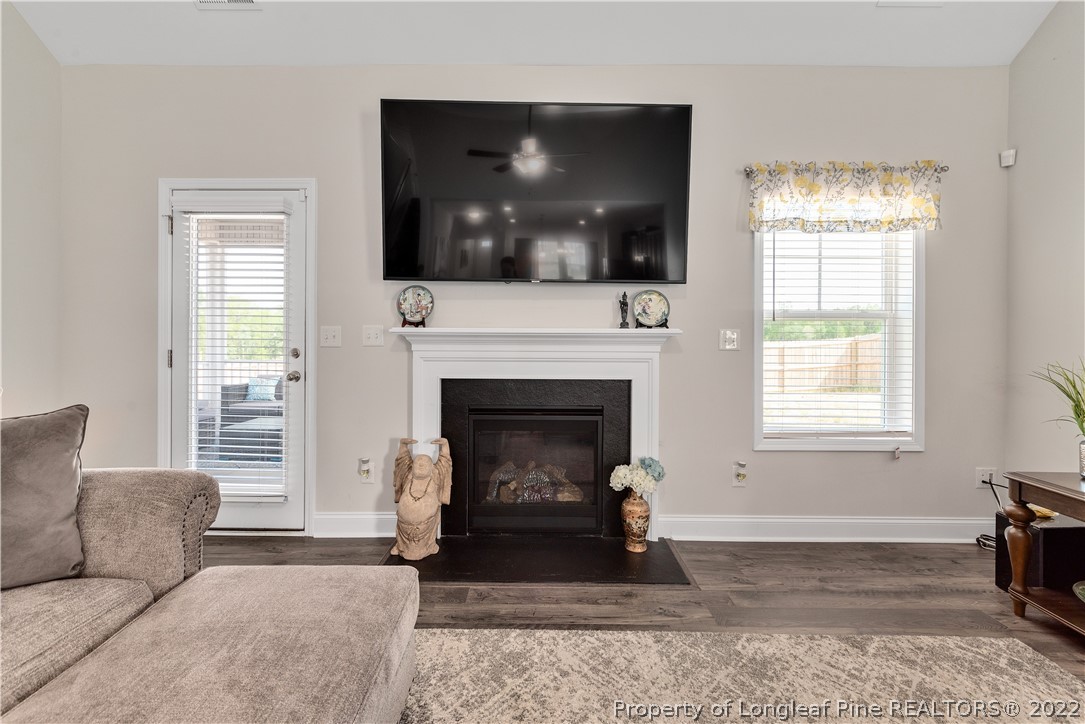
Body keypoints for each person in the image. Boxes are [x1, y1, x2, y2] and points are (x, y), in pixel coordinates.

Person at [391, 437, 452, 560]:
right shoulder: (407, 476)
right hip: (403, 525)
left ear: (432, 468)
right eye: (418, 463)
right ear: (412, 467)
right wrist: (403, 445)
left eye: (425, 463)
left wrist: (445, 445)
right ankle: (401, 545)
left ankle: (429, 546)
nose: (421, 465)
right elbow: (402, 461)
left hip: (426, 526)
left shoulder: (435, 477)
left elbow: (445, 464)